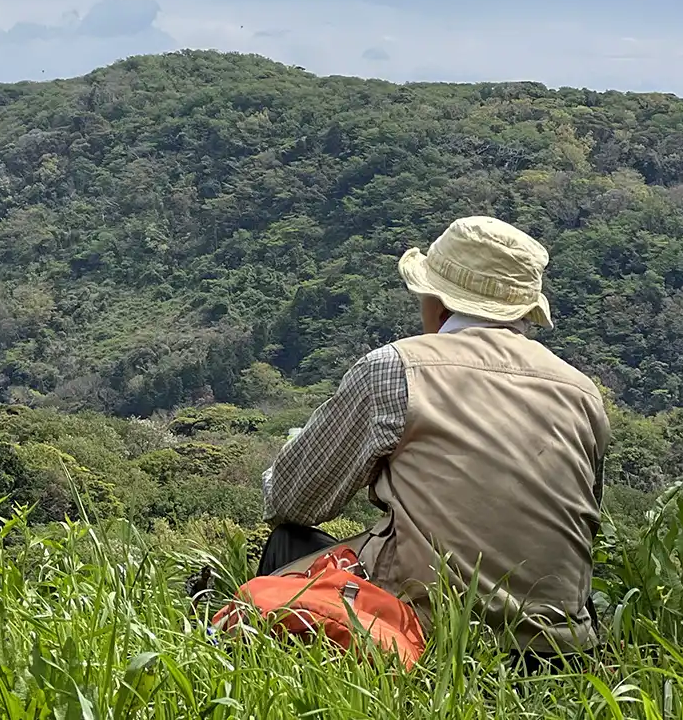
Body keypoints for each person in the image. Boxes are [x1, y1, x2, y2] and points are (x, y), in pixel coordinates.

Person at [258, 216, 609, 662]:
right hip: (559, 648)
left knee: (287, 541)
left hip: (426, 636)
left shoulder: (396, 368)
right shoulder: (582, 394)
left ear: (439, 303)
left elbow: (292, 502)